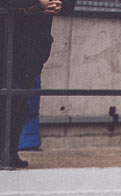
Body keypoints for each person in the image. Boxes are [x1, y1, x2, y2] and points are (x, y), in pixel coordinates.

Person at [0, 0, 75, 168]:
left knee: (20, 101)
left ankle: (10, 153)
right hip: (7, 40)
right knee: (8, 98)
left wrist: (60, 5)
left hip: (34, 47)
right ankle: (5, 154)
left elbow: (71, 4)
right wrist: (37, 3)